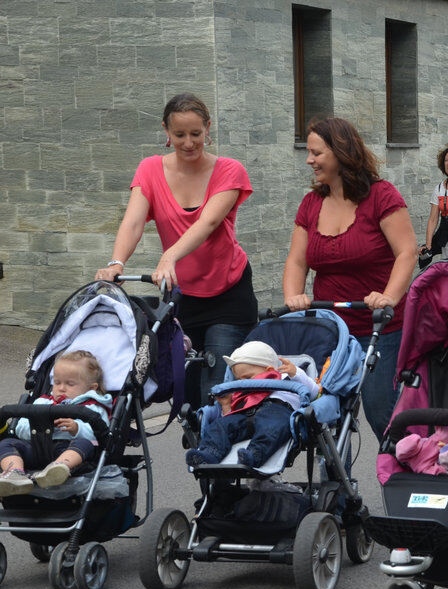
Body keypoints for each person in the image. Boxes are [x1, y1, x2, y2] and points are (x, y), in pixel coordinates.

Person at [94, 93, 256, 407]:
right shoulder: (150, 169)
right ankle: (200, 452)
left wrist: (169, 256)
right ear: (166, 132)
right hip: (183, 298)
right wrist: (116, 262)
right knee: (188, 397)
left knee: (218, 390)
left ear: (208, 129)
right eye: (179, 134)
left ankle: (219, 450)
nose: (188, 142)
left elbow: (207, 223)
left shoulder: (229, 170)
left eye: (196, 134)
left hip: (228, 294)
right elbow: (133, 222)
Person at [282, 117, 418, 440]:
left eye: (316, 152)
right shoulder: (311, 204)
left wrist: (388, 297)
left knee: (380, 408)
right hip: (330, 328)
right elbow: (297, 261)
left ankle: (406, 472)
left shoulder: (381, 196)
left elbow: (407, 252)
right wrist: (294, 298)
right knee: (325, 411)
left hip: (378, 328)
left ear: (341, 153)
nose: (309, 159)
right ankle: (337, 488)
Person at [185, 341, 320, 468]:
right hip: (244, 413)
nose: (242, 383)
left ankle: (254, 455)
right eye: (238, 379)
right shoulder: (241, 392)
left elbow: (313, 391)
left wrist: (296, 373)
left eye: (248, 378)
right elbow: (228, 416)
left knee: (272, 430)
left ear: (269, 370)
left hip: (277, 411)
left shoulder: (286, 378)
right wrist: (226, 405)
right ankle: (209, 453)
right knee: (220, 426)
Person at [0, 351, 113, 495]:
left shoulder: (92, 407)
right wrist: (40, 423)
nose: (61, 388)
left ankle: (58, 469)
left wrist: (77, 428)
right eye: (57, 382)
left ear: (91, 388)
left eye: (70, 384)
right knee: (6, 443)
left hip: (69, 451)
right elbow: (20, 429)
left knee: (86, 443)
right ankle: (15, 473)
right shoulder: (43, 402)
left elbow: (101, 433)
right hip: (37, 448)